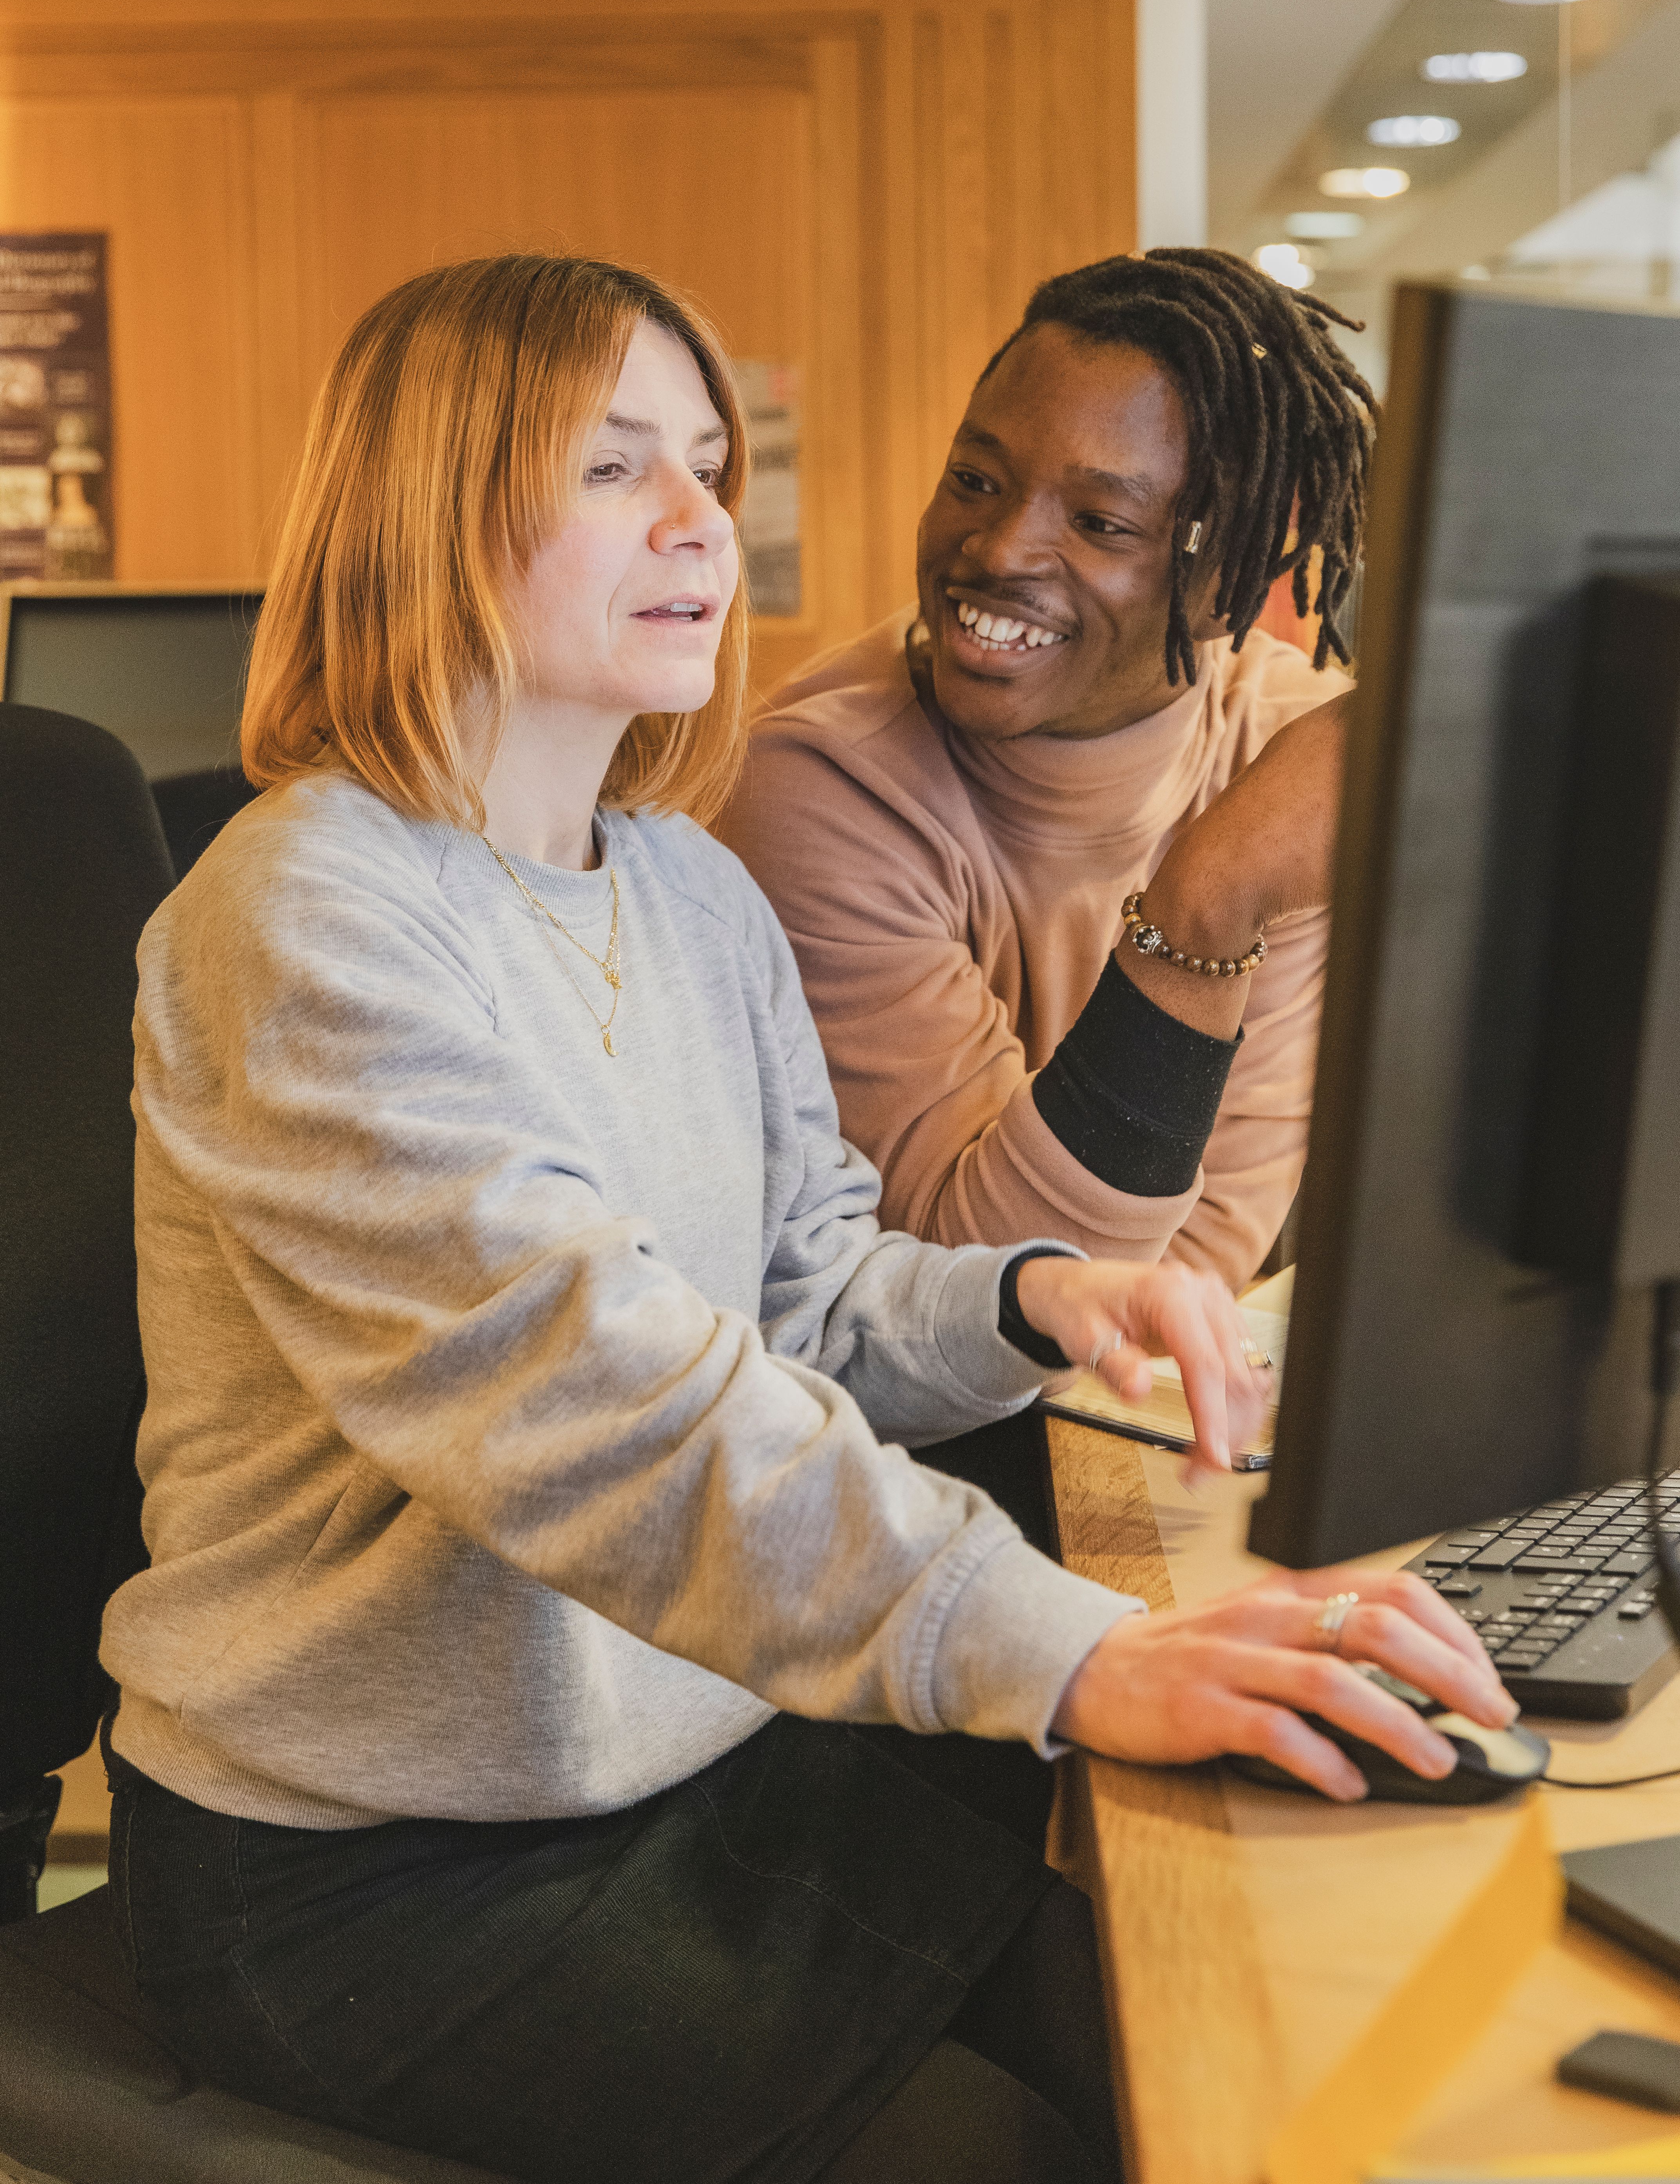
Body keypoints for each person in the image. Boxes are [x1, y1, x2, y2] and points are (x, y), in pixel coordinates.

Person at [101, 253, 1510, 2184]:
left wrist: (1038, 1300)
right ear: (432, 508)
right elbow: (616, 1415)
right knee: (1034, 2150)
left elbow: (807, 1302)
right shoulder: (309, 923)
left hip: (690, 1759)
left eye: (707, 462)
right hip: (375, 1869)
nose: (700, 519)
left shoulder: (679, 889)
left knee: (1205, 2038)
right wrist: (1074, 1643)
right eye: (614, 470)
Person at [720, 247, 1375, 1292]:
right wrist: (1204, 903)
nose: (998, 548)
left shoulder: (1283, 752)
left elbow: (1205, 1262)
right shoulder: (817, 787)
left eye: (1099, 522)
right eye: (975, 480)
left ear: (1231, 581)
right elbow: (980, 1290)